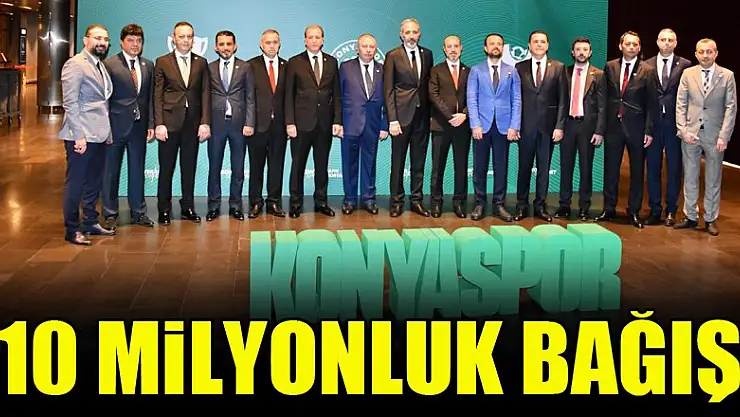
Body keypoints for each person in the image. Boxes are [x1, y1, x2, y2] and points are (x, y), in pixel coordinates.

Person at [59, 24, 116, 245]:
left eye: (105, 39)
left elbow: (102, 103)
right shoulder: (75, 64)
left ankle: (90, 221)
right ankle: (72, 229)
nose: (102, 42)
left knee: (94, 183)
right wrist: (78, 136)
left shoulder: (99, 65)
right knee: (76, 184)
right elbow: (70, 102)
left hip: (99, 135)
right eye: (97, 38)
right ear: (85, 40)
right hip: (81, 135)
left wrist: (107, 133)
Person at [674, 38, 737, 236]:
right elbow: (681, 103)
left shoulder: (727, 75)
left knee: (713, 178)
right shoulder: (688, 74)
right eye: (701, 52)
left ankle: (710, 218)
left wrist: (724, 135)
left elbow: (731, 107)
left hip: (715, 136)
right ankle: (690, 216)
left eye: (709, 51)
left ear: (716, 53)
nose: (705, 55)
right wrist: (683, 130)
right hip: (691, 133)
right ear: (696, 54)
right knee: (690, 177)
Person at [595, 31, 656, 229]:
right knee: (611, 170)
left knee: (637, 172)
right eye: (627, 44)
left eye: (635, 44)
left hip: (637, 128)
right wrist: (601, 128)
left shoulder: (648, 70)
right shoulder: (610, 66)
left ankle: (633, 211)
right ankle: (609, 209)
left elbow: (652, 104)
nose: (631, 47)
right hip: (613, 127)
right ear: (620, 46)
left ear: (639, 47)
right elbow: (604, 99)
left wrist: (649, 130)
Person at [153, 21, 211, 225]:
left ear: (193, 39)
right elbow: (157, 95)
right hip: (168, 125)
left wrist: (205, 122)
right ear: (174, 38)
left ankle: (188, 207)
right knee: (166, 168)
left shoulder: (201, 62)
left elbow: (205, 93)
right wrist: (159, 123)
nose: (186, 40)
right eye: (182, 36)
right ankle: (164, 209)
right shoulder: (162, 61)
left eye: (189, 36)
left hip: (192, 125)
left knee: (189, 168)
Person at [284, 24, 342, 218]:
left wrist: (337, 120)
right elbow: (288, 95)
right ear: (305, 40)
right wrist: (290, 122)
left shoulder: (332, 62)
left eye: (318, 37)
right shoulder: (294, 62)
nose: (314, 40)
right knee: (298, 165)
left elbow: (337, 94)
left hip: (324, 123)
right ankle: (295, 204)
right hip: (301, 124)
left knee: (322, 165)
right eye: (311, 37)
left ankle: (321, 202)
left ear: (323, 40)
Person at [101, 23, 155, 230]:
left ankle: (138, 212)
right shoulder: (109, 65)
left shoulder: (148, 65)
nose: (135, 44)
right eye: (131, 40)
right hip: (115, 127)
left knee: (137, 170)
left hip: (139, 127)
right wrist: (104, 126)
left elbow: (149, 98)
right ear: (122, 42)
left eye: (139, 41)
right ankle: (110, 214)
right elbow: (104, 99)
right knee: (111, 172)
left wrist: (151, 123)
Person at [514, 30, 568, 222]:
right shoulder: (519, 67)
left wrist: (559, 126)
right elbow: (515, 99)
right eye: (535, 41)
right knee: (524, 167)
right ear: (529, 45)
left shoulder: (559, 67)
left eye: (542, 42)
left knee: (543, 169)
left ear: (547, 45)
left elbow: (563, 100)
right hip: (526, 127)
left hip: (548, 128)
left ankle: (540, 206)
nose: (539, 44)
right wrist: (515, 125)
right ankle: (521, 205)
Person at [467, 33, 521, 221]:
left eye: (499, 43)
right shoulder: (476, 70)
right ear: (486, 48)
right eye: (492, 43)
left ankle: (499, 204)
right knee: (479, 167)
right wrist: (475, 124)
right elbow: (471, 99)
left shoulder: (512, 71)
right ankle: (480, 203)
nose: (495, 46)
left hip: (504, 127)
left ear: (502, 47)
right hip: (481, 126)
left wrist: (514, 125)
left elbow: (517, 99)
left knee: (501, 167)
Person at [384, 18, 433, 217]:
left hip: (422, 117)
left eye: (415, 32)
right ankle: (396, 201)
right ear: (401, 34)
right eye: (407, 32)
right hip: (401, 118)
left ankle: (416, 200)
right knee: (398, 162)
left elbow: (428, 86)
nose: (411, 36)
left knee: (418, 162)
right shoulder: (393, 56)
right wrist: (392, 119)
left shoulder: (427, 54)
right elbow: (388, 90)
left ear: (419, 34)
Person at [554, 37, 606, 221]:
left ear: (590, 52)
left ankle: (585, 206)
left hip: (587, 127)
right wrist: (559, 126)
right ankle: (564, 205)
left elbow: (602, 106)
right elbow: (561, 102)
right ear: (572, 52)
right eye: (578, 49)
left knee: (586, 168)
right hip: (568, 125)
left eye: (585, 49)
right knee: (566, 167)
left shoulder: (598, 74)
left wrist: (599, 130)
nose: (581, 52)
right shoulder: (564, 72)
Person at [205, 30, 255, 222]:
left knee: (238, 168)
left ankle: (235, 206)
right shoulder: (209, 68)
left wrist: (249, 122)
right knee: (214, 167)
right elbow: (204, 97)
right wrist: (205, 123)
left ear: (235, 46)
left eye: (229, 44)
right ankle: (214, 206)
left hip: (239, 125)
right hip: (216, 125)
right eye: (221, 44)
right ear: (216, 47)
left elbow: (250, 97)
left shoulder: (245, 67)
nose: (225, 47)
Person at [644, 28, 692, 227]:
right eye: (663, 39)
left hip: (675, 124)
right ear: (657, 42)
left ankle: (671, 210)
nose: (666, 43)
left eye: (670, 40)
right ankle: (655, 210)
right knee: (652, 168)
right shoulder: (646, 64)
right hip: (653, 124)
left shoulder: (686, 65)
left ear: (676, 42)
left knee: (674, 169)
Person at [338, 33, 388, 215]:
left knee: (369, 163)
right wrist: (338, 122)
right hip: (350, 124)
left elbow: (387, 99)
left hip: (373, 125)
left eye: (372, 47)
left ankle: (368, 198)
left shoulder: (383, 69)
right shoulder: (345, 67)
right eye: (364, 46)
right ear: (357, 48)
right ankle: (350, 199)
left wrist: (384, 125)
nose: (368, 50)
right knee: (349, 163)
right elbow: (338, 97)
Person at [247, 29, 288, 218]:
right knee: (256, 166)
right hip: (257, 125)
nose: (272, 46)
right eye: (268, 42)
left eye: (275, 42)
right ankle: (255, 202)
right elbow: (247, 97)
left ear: (279, 44)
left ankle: (274, 202)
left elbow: (290, 97)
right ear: (261, 44)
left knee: (276, 165)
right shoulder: (250, 65)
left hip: (279, 126)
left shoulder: (287, 66)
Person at [428, 35, 470, 218]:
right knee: (438, 167)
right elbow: (433, 94)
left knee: (461, 166)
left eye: (456, 46)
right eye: (449, 47)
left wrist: (465, 115)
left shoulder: (469, 71)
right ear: (444, 49)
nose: (453, 50)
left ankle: (459, 202)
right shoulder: (436, 70)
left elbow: (473, 96)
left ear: (461, 48)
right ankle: (436, 202)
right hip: (441, 125)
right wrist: (450, 116)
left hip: (463, 126)